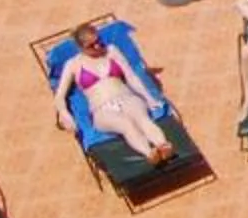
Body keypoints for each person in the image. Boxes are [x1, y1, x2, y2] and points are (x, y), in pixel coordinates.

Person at [54, 21, 177, 164]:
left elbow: (131, 77)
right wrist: (64, 113)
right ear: (81, 48)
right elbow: (59, 96)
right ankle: (150, 153)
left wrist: (149, 98)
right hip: (101, 109)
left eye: (98, 41)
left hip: (127, 98)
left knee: (142, 118)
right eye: (91, 46)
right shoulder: (73, 65)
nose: (98, 46)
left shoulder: (112, 51)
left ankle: (163, 145)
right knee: (126, 125)